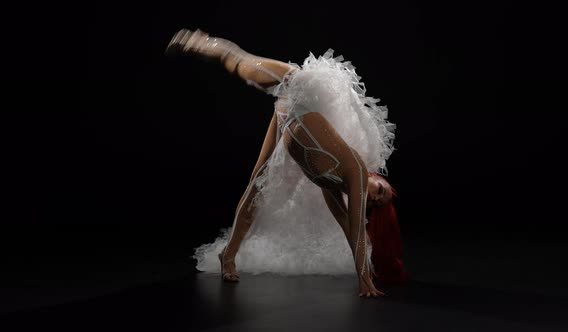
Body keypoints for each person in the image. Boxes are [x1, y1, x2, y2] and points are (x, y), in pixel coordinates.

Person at [167, 29, 408, 297]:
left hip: (288, 118)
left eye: (375, 204)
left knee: (257, 183)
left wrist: (365, 277)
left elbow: (353, 233)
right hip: (300, 90)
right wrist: (365, 280)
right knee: (241, 63)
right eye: (381, 192)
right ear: (379, 179)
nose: (373, 197)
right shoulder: (357, 172)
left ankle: (229, 255)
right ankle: (199, 41)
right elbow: (357, 233)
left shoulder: (332, 186)